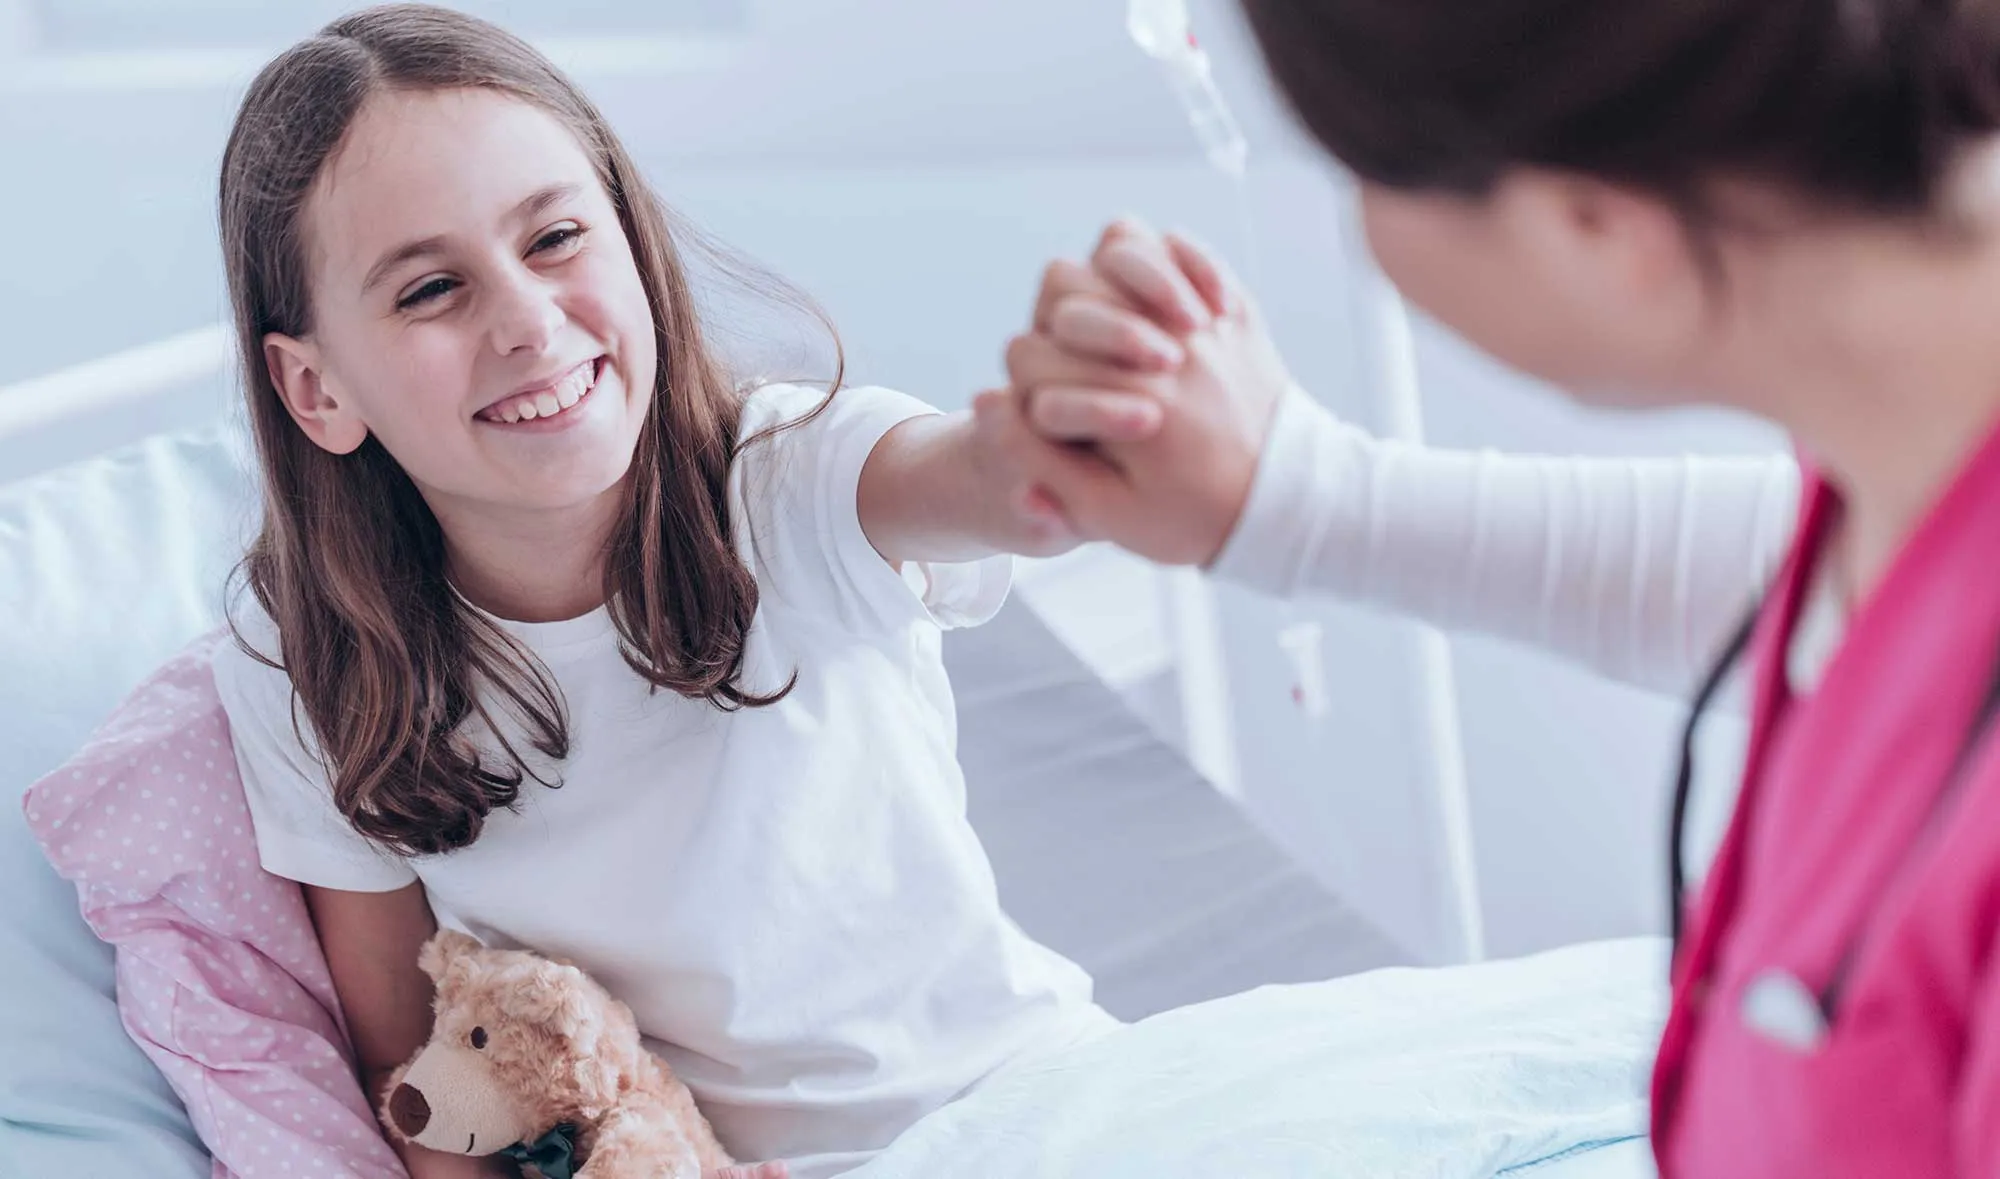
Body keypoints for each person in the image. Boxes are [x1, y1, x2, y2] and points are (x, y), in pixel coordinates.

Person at [983, 0, 2000, 1173]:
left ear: (1595, 229)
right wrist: (1294, 497)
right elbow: (1830, 602)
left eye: (1361, 176)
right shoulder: (1905, 451)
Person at [206, 6, 1112, 1178]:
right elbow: (413, 1072)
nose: (529, 323)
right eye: (431, 290)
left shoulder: (793, 477)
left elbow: (971, 478)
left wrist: (1061, 447)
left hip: (1027, 1114)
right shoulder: (300, 660)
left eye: (556, 238)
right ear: (316, 388)